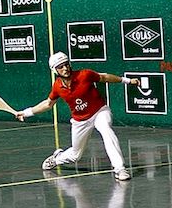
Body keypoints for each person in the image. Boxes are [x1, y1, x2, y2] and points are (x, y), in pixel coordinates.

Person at [16, 51, 140, 181]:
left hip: (100, 111)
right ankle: (57, 158)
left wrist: (128, 81)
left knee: (106, 130)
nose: (65, 68)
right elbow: (48, 104)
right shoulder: (57, 87)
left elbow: (104, 77)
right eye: (60, 67)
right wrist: (26, 112)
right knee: (75, 155)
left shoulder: (84, 75)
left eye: (66, 64)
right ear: (54, 70)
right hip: (80, 121)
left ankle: (120, 169)